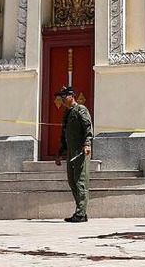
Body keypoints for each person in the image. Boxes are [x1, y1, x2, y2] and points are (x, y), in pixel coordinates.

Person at [55, 86, 93, 222]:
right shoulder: (67, 113)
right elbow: (64, 135)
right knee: (72, 182)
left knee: (80, 182)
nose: (62, 99)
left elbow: (88, 127)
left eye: (64, 97)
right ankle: (81, 210)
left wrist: (87, 144)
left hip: (80, 151)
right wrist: (60, 153)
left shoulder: (80, 110)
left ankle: (80, 213)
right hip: (71, 152)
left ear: (71, 96)